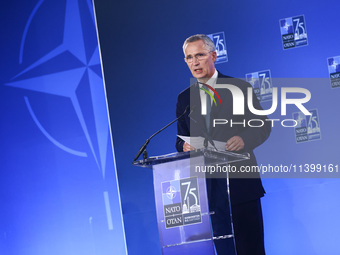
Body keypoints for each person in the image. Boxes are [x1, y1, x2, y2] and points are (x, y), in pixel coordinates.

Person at [176, 34, 271, 255]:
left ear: (213, 55)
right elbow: (181, 138)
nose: (195, 62)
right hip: (209, 190)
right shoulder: (184, 98)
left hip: (240, 185)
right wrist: (183, 147)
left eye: (199, 55)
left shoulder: (238, 87)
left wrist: (244, 139)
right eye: (189, 57)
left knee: (251, 249)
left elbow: (263, 126)